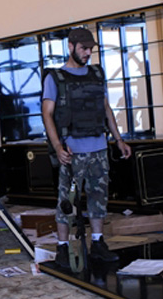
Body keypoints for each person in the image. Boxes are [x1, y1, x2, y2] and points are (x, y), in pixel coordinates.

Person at [41, 28, 132, 268]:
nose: (88, 52)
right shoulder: (55, 78)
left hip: (98, 147)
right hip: (72, 151)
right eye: (83, 48)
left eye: (90, 48)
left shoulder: (96, 73)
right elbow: (47, 114)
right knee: (66, 201)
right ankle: (62, 248)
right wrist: (57, 146)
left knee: (98, 198)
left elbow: (106, 108)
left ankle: (98, 243)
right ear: (70, 47)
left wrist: (118, 139)